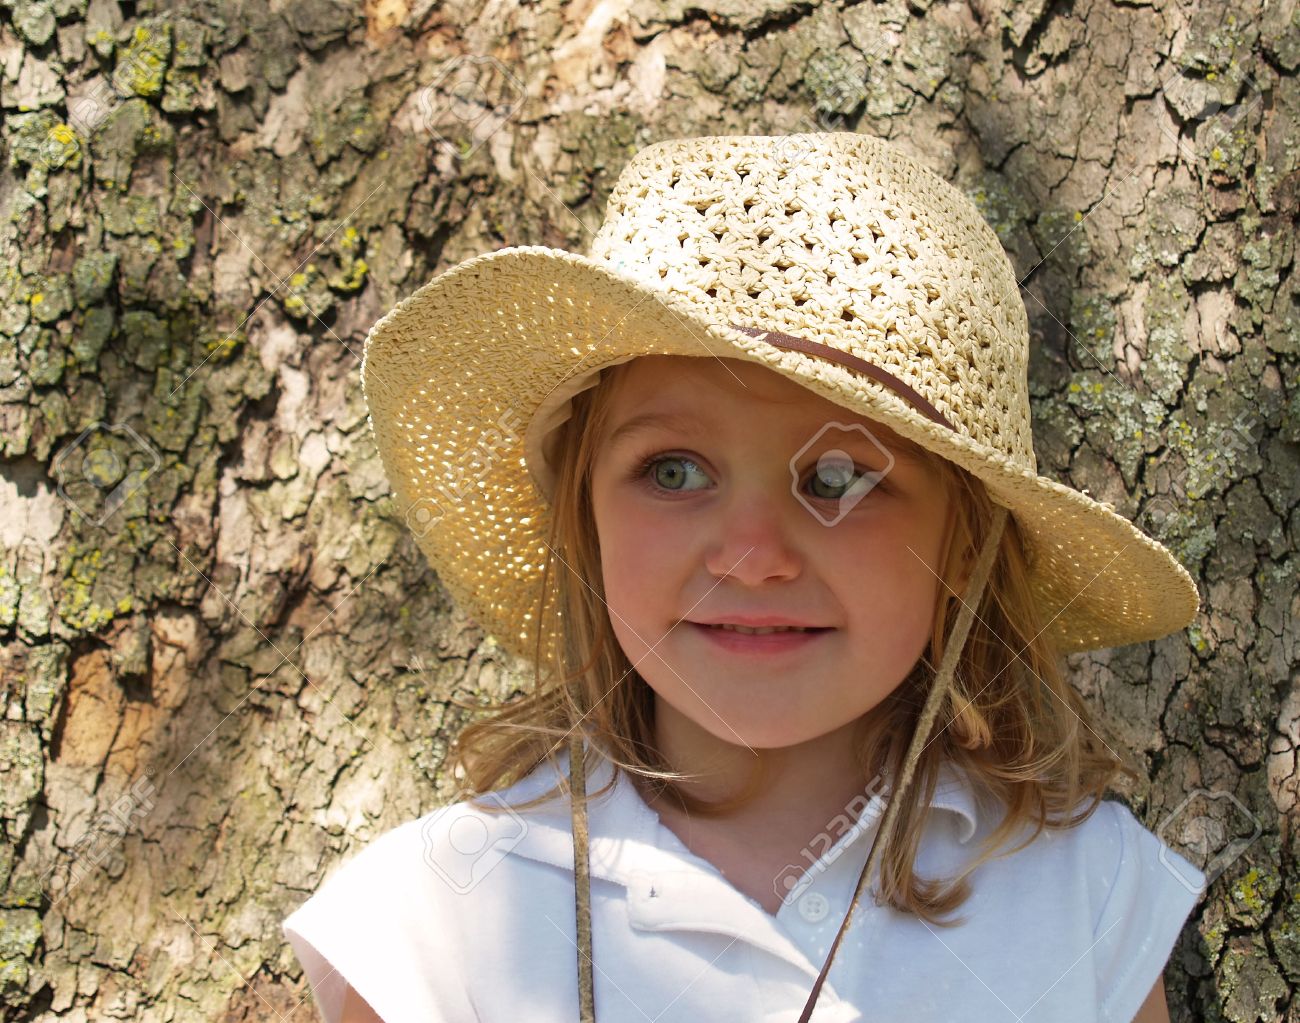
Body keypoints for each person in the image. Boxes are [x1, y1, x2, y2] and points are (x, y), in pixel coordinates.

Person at [282, 132, 1208, 1023]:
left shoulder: (1084, 896)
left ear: (963, 544)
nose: (754, 554)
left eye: (840, 479)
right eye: (673, 471)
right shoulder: (438, 927)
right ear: (586, 517)